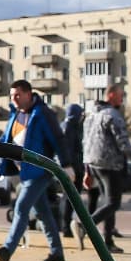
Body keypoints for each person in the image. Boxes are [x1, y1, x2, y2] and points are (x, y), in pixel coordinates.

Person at [0, 81, 66, 261]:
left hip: (39, 170)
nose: (14, 99)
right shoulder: (16, 115)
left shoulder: (42, 114)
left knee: (21, 208)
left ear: (29, 94)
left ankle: (7, 250)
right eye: (12, 95)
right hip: (25, 171)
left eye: (17, 95)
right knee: (43, 212)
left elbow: (57, 139)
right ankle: (57, 252)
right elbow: (7, 138)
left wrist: (67, 165)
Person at [82, 83, 131, 251]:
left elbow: (86, 141)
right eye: (121, 95)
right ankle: (84, 227)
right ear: (111, 95)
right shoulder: (113, 115)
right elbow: (123, 143)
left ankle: (108, 241)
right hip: (110, 164)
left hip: (94, 162)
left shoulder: (92, 114)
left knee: (108, 203)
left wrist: (87, 169)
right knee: (113, 203)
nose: (122, 98)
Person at [55, 102, 85, 239]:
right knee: (69, 198)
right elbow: (66, 149)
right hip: (71, 168)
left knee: (71, 197)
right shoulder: (68, 127)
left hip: (75, 167)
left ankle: (66, 226)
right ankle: (65, 227)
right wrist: (68, 167)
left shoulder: (73, 127)